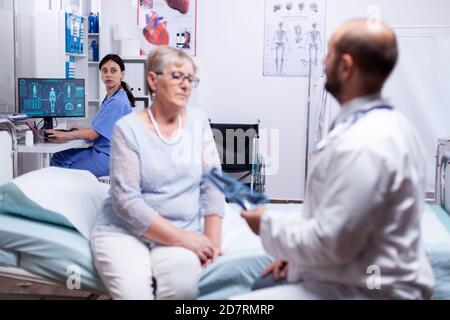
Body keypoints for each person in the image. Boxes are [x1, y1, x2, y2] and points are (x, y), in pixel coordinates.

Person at [236, 19, 435, 300]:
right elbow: (342, 221)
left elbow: (334, 243)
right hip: (354, 272)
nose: (322, 60)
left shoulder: (366, 144)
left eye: (328, 53)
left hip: (371, 290)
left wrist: (266, 222)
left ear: (345, 66)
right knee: (263, 286)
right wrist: (297, 257)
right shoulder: (384, 124)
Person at [90, 46, 225, 300]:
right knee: (135, 295)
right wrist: (184, 238)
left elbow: (214, 184)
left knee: (182, 288)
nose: (186, 85)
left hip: (179, 227)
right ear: (153, 79)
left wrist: (212, 242)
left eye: (190, 79)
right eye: (177, 76)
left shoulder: (197, 122)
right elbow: (127, 201)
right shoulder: (127, 128)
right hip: (124, 231)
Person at [46, 54, 134, 177]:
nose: (108, 74)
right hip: (101, 150)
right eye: (105, 71)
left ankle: (72, 193)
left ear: (122, 74)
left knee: (62, 169)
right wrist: (80, 130)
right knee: (59, 156)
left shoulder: (118, 102)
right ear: (101, 74)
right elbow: (101, 128)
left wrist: (66, 135)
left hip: (109, 157)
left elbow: (93, 134)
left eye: (113, 71)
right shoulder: (111, 97)